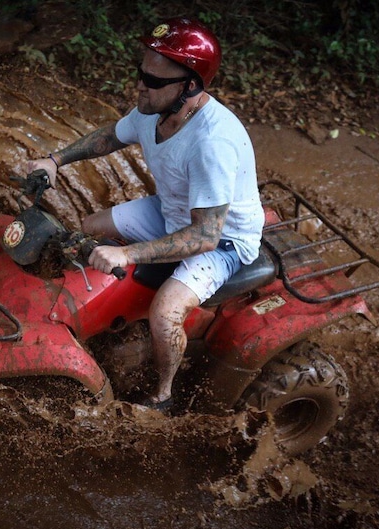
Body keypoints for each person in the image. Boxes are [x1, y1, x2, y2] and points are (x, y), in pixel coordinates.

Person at [24, 17, 264, 412]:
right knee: (91, 227)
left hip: (223, 239)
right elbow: (109, 137)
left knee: (165, 313)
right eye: (141, 74)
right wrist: (54, 159)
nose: (140, 85)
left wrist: (127, 254)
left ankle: (164, 394)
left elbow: (203, 236)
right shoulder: (155, 109)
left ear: (189, 86)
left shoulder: (211, 144)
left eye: (153, 81)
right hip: (174, 208)